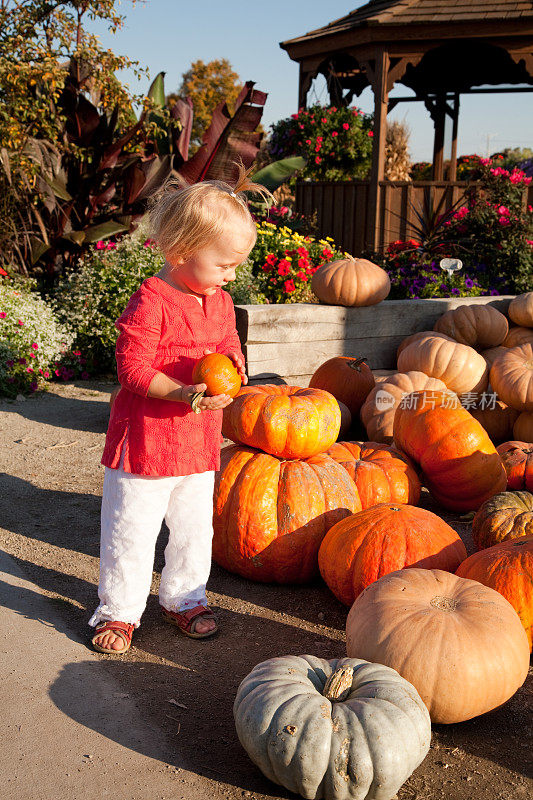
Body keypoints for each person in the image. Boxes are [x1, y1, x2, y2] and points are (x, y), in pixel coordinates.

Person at [89, 164, 270, 654]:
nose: (231, 276)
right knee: (132, 528)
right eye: (224, 265)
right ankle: (120, 611)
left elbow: (231, 348)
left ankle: (184, 598)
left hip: (197, 443)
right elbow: (131, 367)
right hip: (146, 444)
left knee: (195, 529)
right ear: (182, 251)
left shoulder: (222, 302)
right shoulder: (153, 299)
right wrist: (183, 392)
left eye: (236, 266)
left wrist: (234, 374)